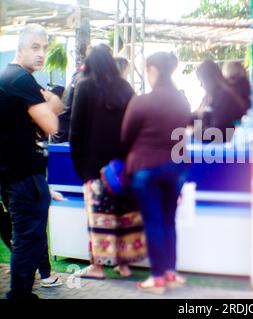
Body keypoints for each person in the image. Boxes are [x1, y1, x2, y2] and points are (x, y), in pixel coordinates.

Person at [69, 45, 146, 279]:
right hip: (123, 166)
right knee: (124, 215)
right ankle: (123, 265)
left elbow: (76, 131)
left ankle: (98, 266)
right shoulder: (125, 88)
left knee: (99, 216)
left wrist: (81, 168)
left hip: (94, 167)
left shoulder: (84, 87)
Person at [0, 24, 64, 299]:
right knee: (28, 239)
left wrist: (45, 101)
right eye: (34, 47)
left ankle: (24, 291)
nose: (41, 54)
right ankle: (19, 295)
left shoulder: (17, 78)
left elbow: (57, 106)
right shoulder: (19, 79)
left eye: (44, 48)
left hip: (18, 174)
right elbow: (53, 123)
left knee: (30, 236)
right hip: (22, 175)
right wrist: (46, 101)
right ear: (20, 48)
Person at [122, 52, 191, 294]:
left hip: (145, 168)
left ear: (152, 69)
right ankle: (171, 272)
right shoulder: (182, 101)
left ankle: (157, 277)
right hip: (176, 167)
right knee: (168, 220)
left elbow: (126, 137)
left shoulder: (142, 102)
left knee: (153, 222)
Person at [0, 188, 64, 288]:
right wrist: (48, 191)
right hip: (19, 196)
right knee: (35, 233)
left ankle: (23, 270)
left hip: (9, 196)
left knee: (10, 233)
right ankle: (44, 275)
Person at [193, 60, 247, 143]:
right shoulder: (210, 96)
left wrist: (195, 133)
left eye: (201, 81)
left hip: (222, 149)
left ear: (209, 80)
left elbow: (217, 130)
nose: (201, 85)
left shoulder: (224, 98)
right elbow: (199, 115)